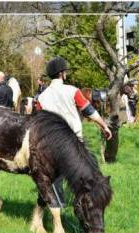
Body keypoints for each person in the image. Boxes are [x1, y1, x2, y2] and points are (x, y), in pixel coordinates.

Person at [37, 56, 112, 208]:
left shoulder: (41, 97)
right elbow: (89, 111)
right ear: (62, 73)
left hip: (51, 144)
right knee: (84, 175)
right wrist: (104, 126)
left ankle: (59, 204)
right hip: (74, 143)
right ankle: (86, 203)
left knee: (55, 176)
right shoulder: (73, 91)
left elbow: (38, 121)